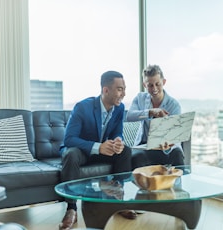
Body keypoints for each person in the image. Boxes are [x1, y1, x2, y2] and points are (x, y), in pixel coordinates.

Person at [59, 71, 132, 230]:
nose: (124, 94)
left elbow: (117, 132)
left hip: (104, 152)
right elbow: (69, 139)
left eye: (124, 89)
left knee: (125, 151)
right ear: (106, 90)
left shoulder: (120, 109)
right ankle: (71, 209)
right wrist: (98, 147)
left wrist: (118, 141)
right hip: (82, 152)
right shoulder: (82, 107)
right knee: (70, 154)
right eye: (120, 89)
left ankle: (119, 200)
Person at [126, 64, 185, 169]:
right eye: (150, 85)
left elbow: (176, 135)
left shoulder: (174, 105)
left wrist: (168, 144)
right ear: (145, 85)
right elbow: (129, 116)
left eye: (158, 84)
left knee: (177, 154)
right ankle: (142, 185)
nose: (154, 89)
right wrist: (150, 112)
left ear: (164, 82)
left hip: (166, 148)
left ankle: (178, 184)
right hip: (145, 147)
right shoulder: (140, 98)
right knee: (136, 158)